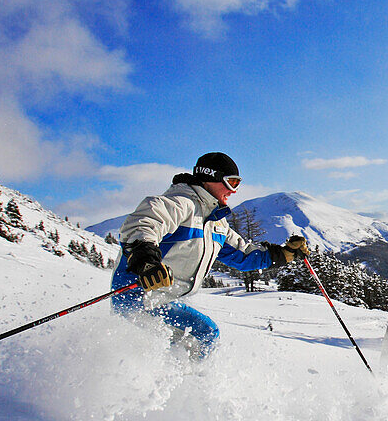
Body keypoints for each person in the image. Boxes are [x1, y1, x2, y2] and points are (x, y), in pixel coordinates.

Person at [111, 152, 309, 358]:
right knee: (203, 334)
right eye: (231, 182)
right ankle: (187, 385)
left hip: (164, 301)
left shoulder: (215, 224)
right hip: (139, 298)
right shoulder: (181, 204)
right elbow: (143, 222)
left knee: (190, 344)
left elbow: (243, 255)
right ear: (211, 177)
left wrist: (285, 254)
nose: (234, 191)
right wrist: (145, 259)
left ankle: (179, 384)